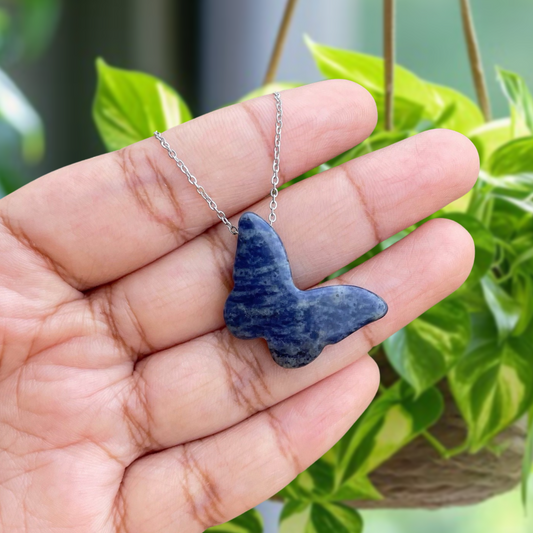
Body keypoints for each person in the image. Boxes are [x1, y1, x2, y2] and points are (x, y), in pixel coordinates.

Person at [0, 80, 478, 532]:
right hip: (276, 327)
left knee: (342, 305)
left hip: (267, 321)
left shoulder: (267, 262)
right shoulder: (276, 269)